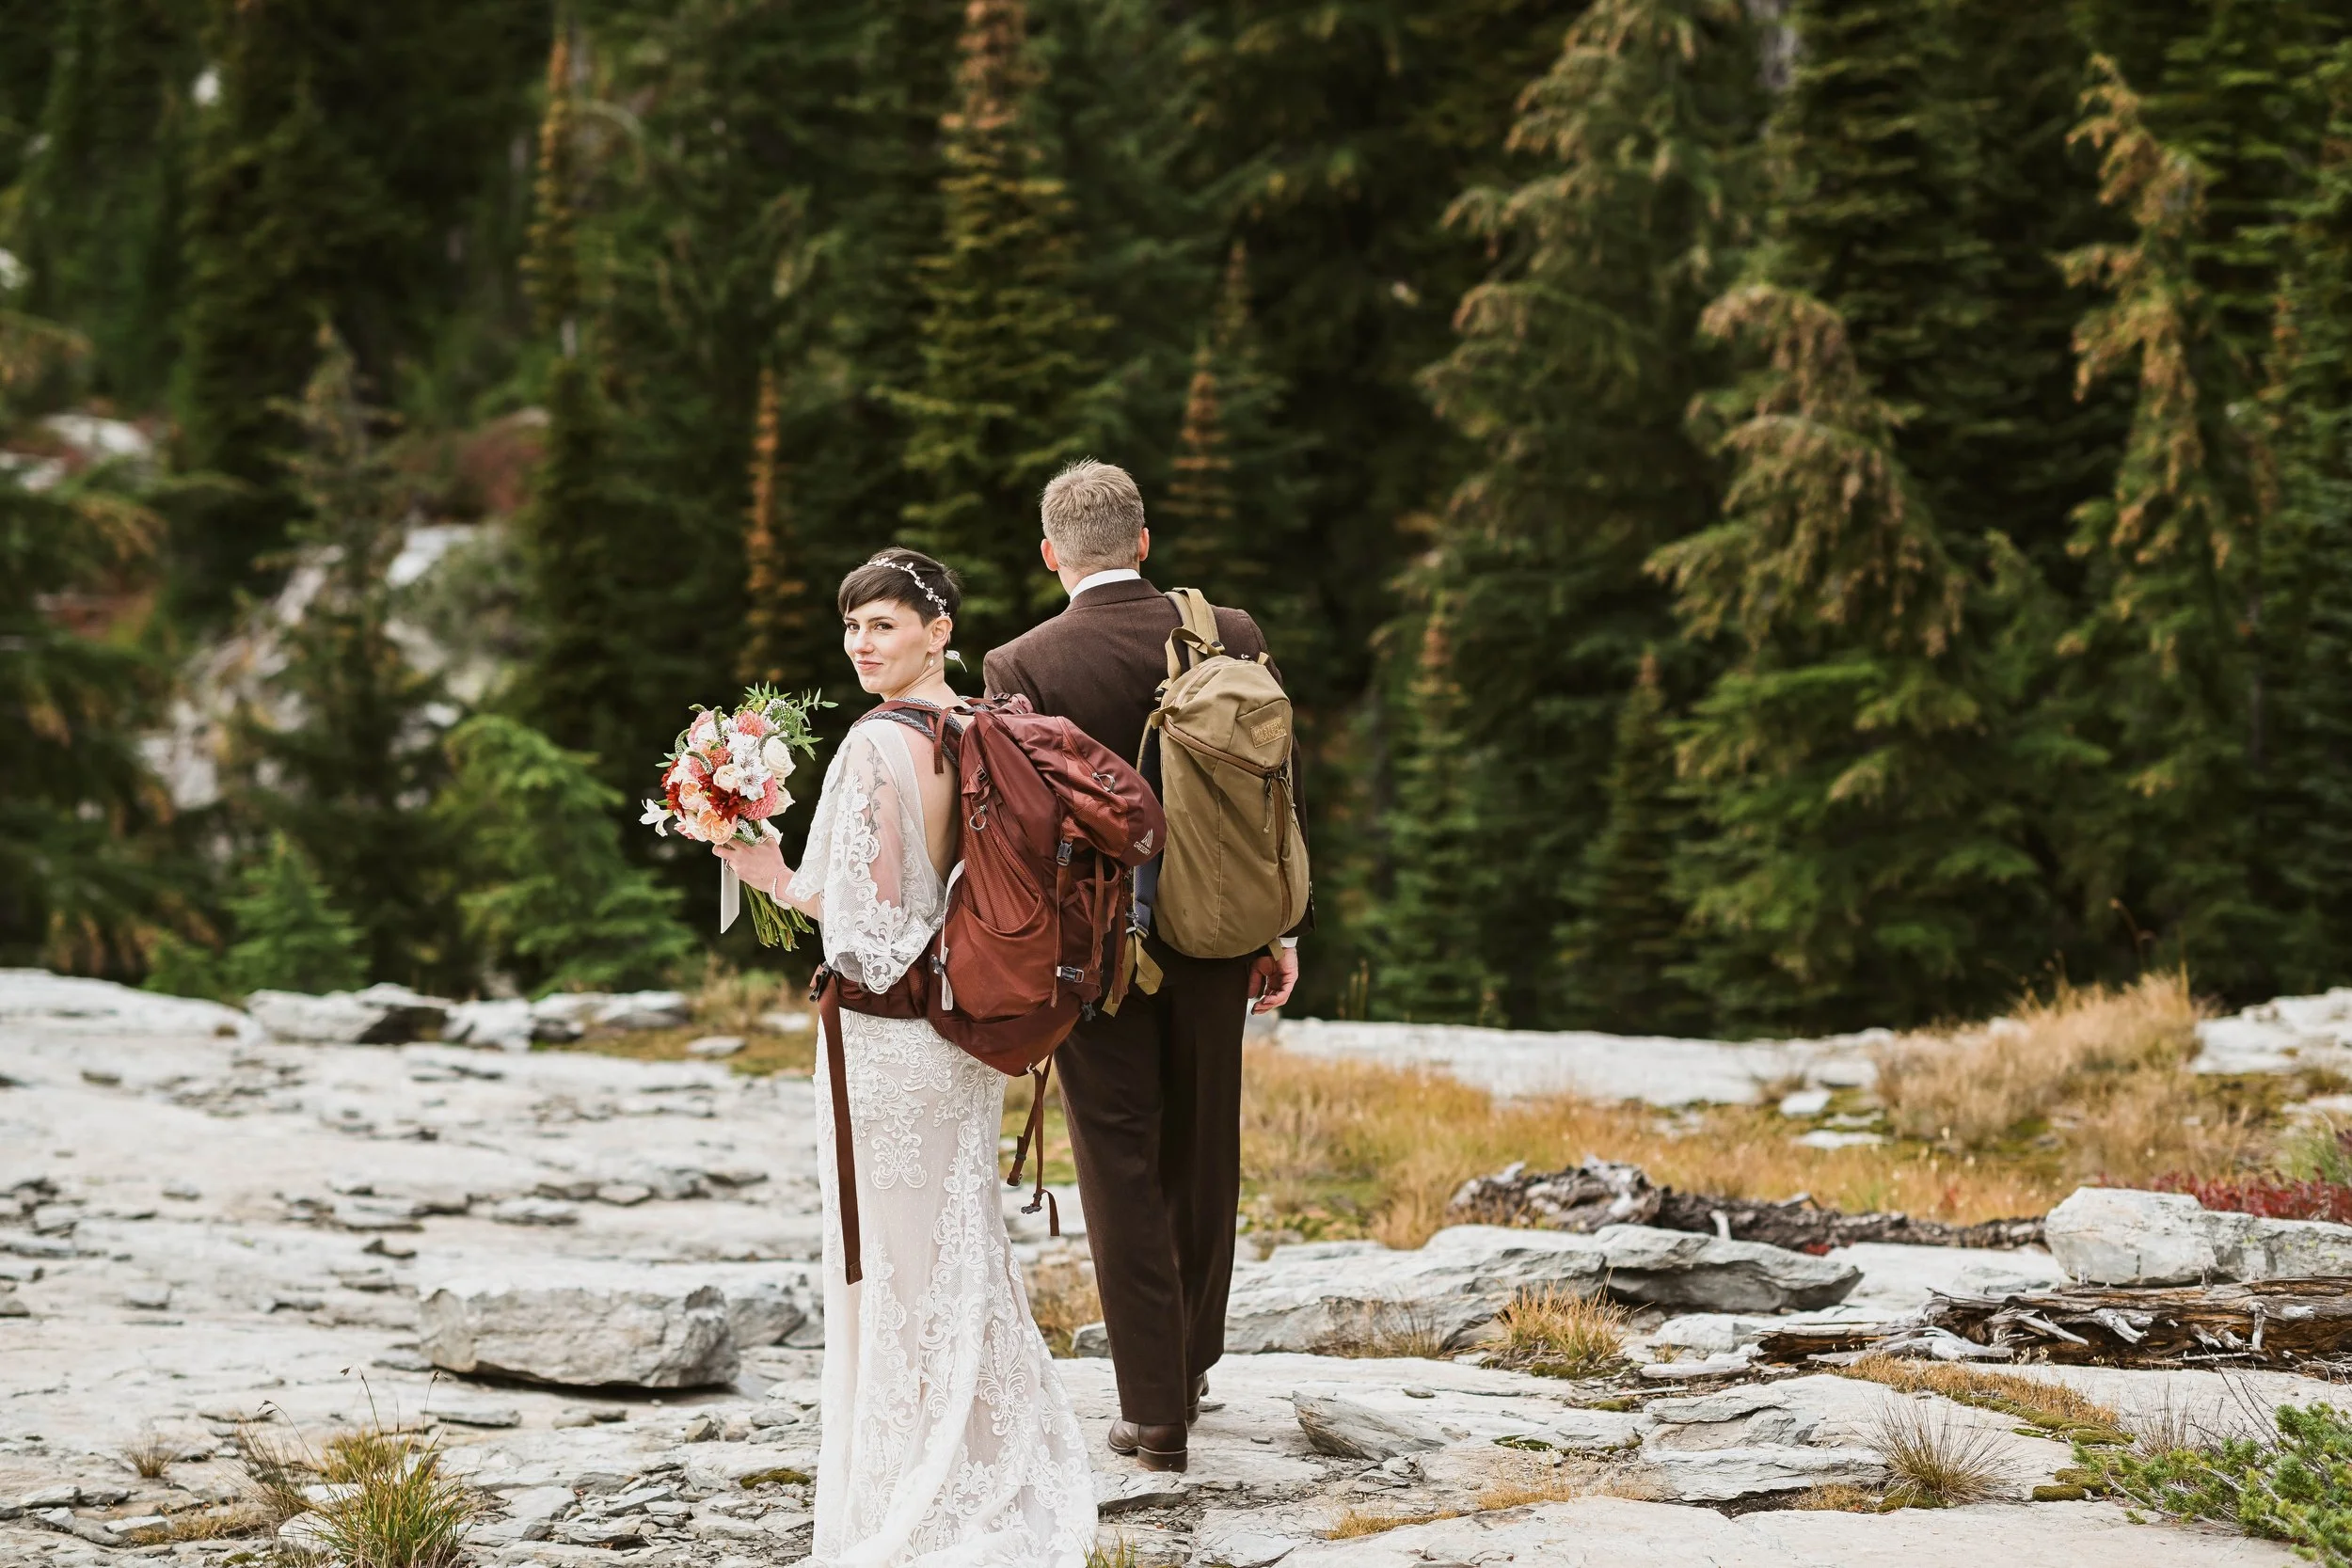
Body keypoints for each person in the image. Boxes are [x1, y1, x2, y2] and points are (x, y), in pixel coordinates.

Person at [715, 547, 1096, 1567]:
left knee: (896, 1267)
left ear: (937, 629)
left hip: (889, 1043)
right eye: (851, 627)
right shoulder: (976, 725)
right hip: (961, 1034)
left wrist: (771, 871)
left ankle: (913, 1485)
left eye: (881, 625)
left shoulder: (876, 744)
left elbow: (866, 931)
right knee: (957, 1249)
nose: (860, 645)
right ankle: (992, 1455)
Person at [984, 460, 1304, 1474]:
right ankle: (1195, 1360)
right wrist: (1278, 933)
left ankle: (1152, 1410)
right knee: (1204, 1148)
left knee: (1118, 1164)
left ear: (1051, 555)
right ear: (1144, 541)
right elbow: (1274, 797)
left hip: (1095, 956)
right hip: (1217, 938)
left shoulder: (1021, 661)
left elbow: (1021, 836)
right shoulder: (1233, 635)